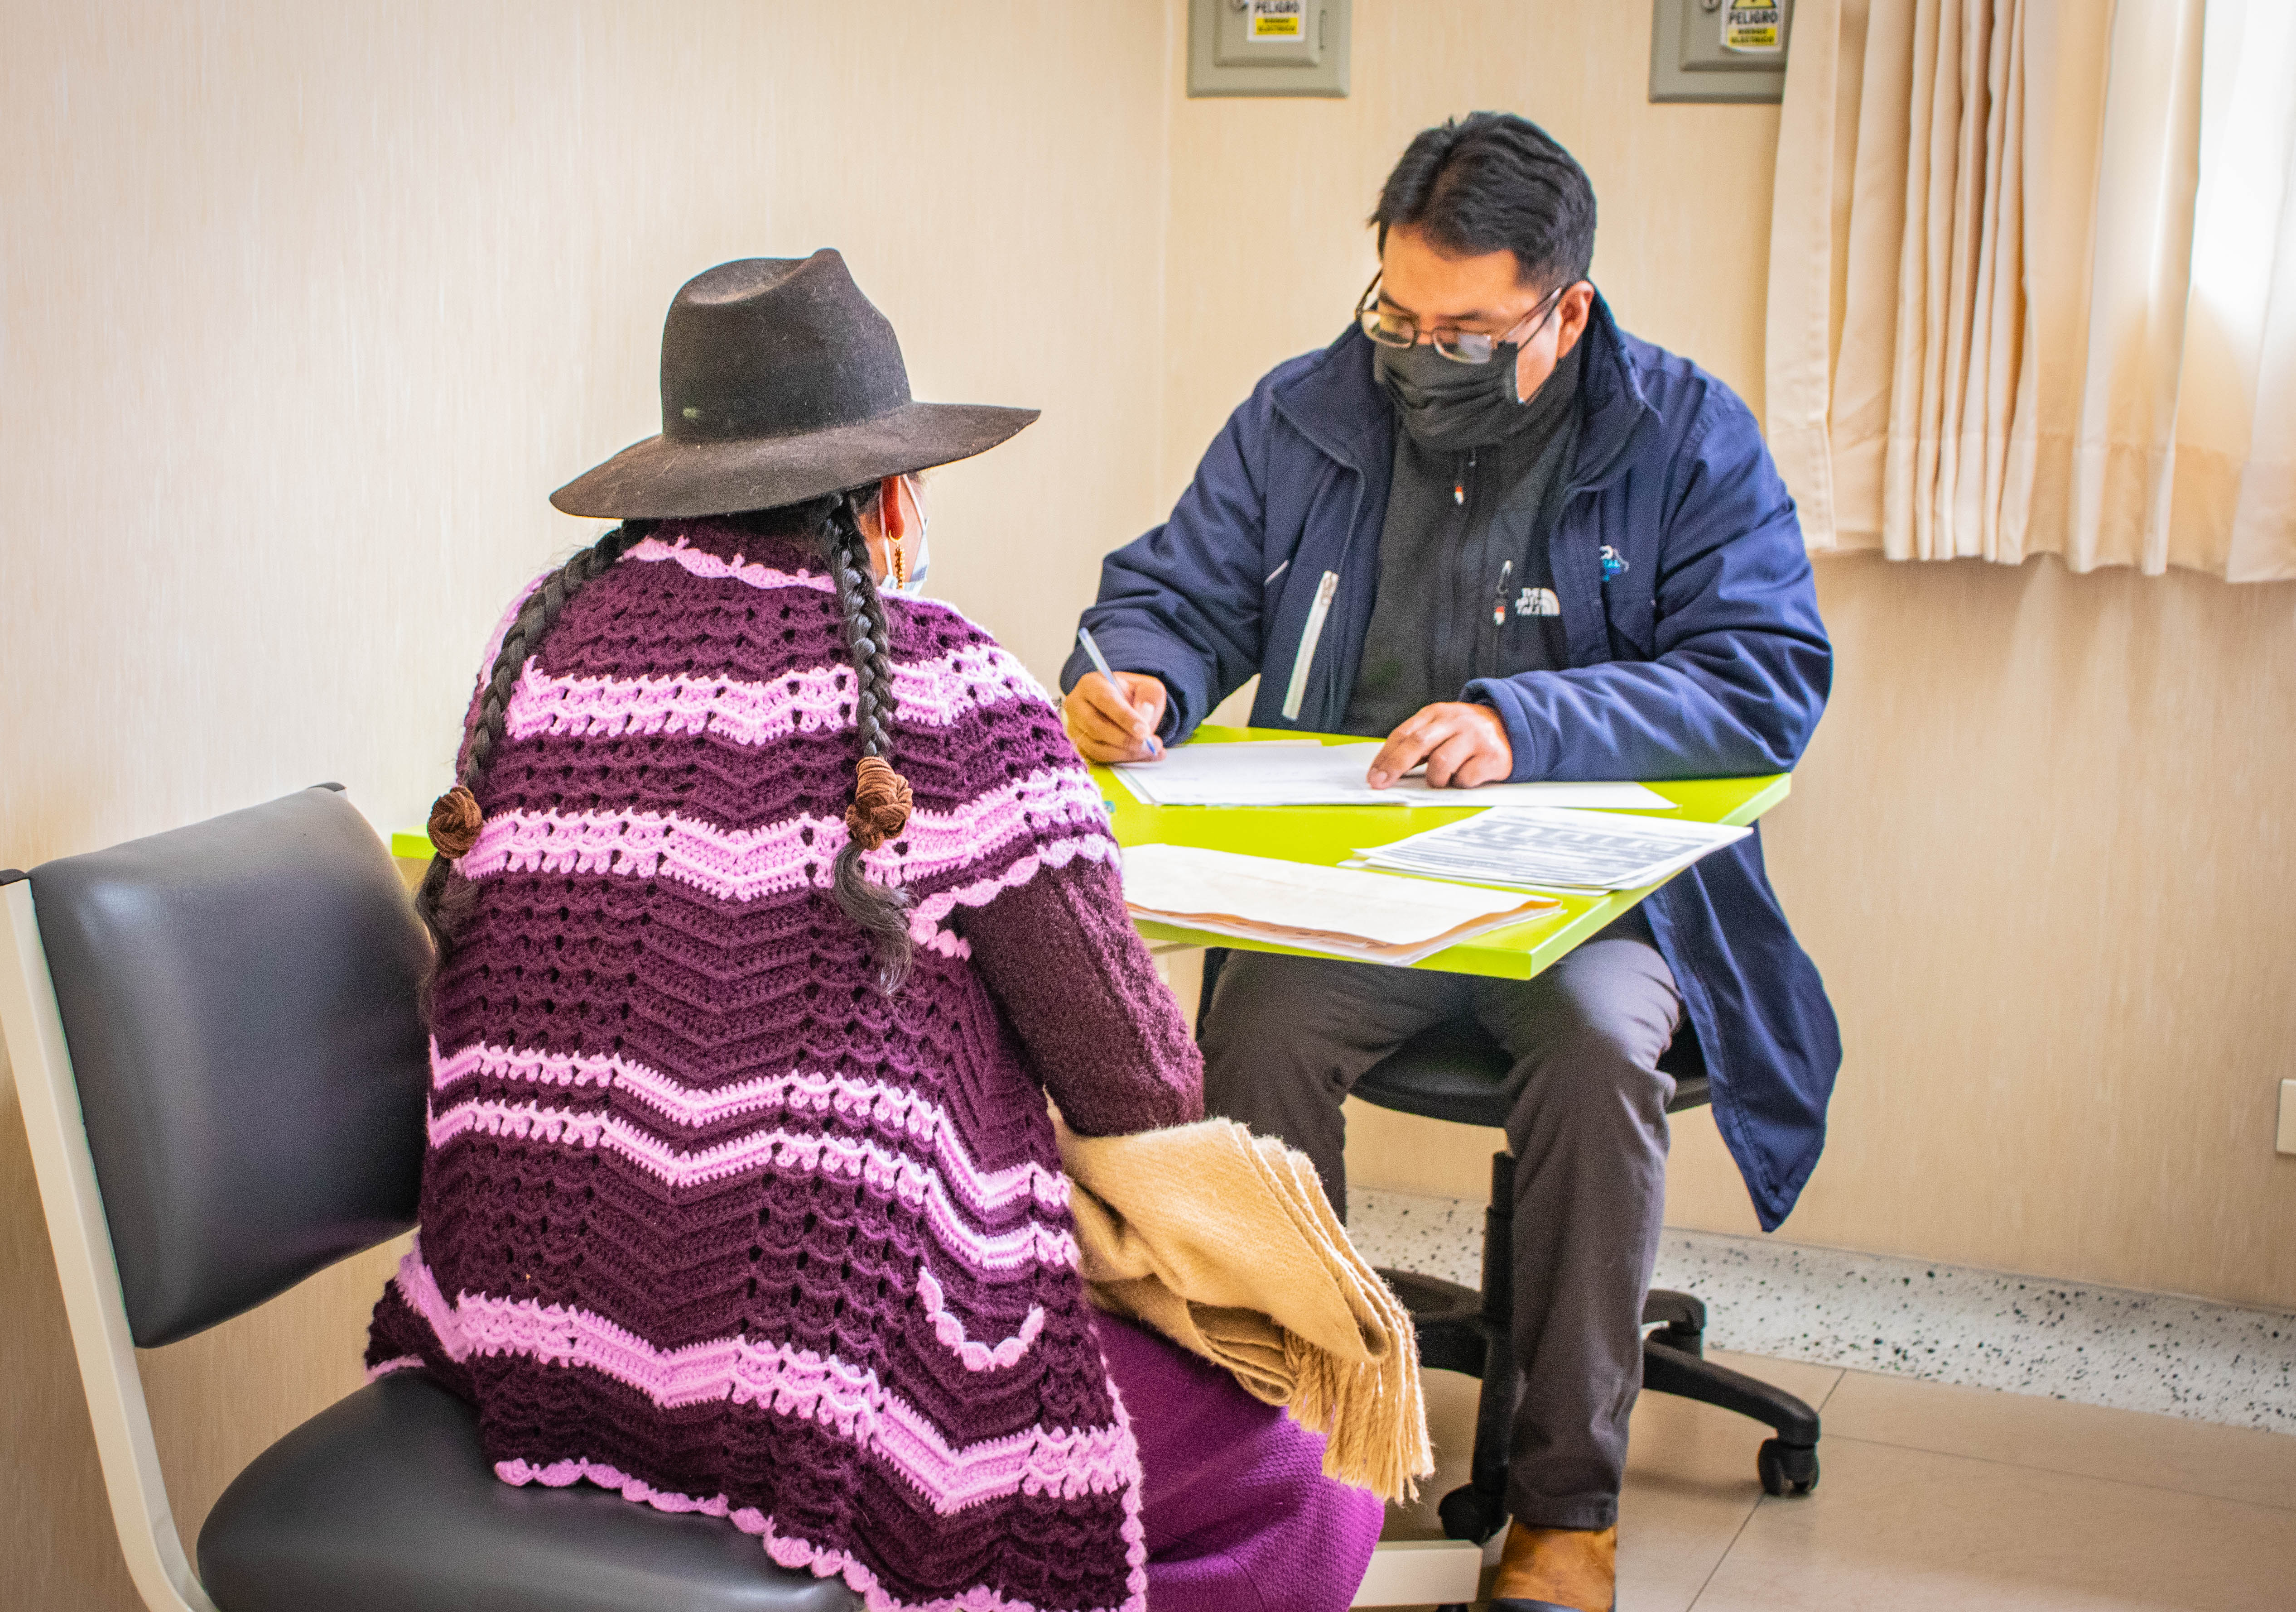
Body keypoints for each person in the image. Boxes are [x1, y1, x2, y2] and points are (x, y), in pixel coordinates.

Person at [368, 251, 1384, 1612]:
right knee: (1300, 1454)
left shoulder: (540, 647)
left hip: (518, 1331)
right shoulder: (948, 682)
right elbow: (1140, 1087)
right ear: (894, 502)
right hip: (813, 1369)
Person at [1062, 115, 1839, 1612]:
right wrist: (1141, 676)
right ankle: (1290, 1456)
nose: (1422, 355)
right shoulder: (1305, 413)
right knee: (1254, 1036)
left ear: (1567, 312)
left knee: (1604, 1051)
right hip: (1351, 890)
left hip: (1588, 905)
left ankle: (1563, 1510)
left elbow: (1765, 674)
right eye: (1398, 316)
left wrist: (1523, 719)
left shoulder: (1682, 433)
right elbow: (1172, 590)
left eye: (1470, 332)